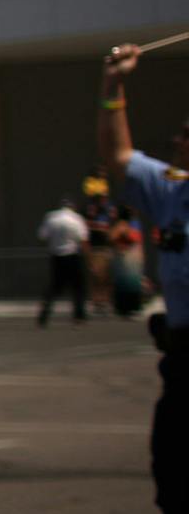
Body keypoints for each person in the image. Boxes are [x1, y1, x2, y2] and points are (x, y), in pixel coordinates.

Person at [97, 42, 189, 511]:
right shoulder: (174, 190)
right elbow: (119, 156)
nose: (178, 143)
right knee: (171, 474)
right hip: (181, 362)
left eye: (187, 135)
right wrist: (114, 85)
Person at [38, 198, 91, 326]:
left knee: (54, 287)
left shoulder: (51, 217)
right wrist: (88, 258)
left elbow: (42, 237)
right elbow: (83, 240)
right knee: (78, 286)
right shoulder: (76, 219)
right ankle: (79, 315)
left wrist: (52, 246)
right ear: (72, 207)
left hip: (56, 256)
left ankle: (44, 314)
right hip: (72, 256)